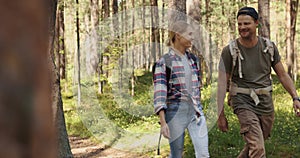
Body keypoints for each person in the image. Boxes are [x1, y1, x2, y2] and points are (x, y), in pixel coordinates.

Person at [217, 6, 300, 158]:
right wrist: (220, 114)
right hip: (242, 100)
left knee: (254, 144)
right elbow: (222, 84)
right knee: (257, 147)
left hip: (265, 102)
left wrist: (295, 97)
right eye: (239, 24)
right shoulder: (229, 51)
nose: (242, 27)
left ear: (256, 23)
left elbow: (282, 75)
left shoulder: (268, 47)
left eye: (246, 23)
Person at [153, 21, 210, 158]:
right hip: (175, 112)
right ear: (178, 35)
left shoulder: (193, 60)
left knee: (203, 153)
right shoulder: (164, 62)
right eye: (189, 34)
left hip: (195, 111)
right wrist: (163, 123)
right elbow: (160, 94)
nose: (192, 37)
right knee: (176, 155)